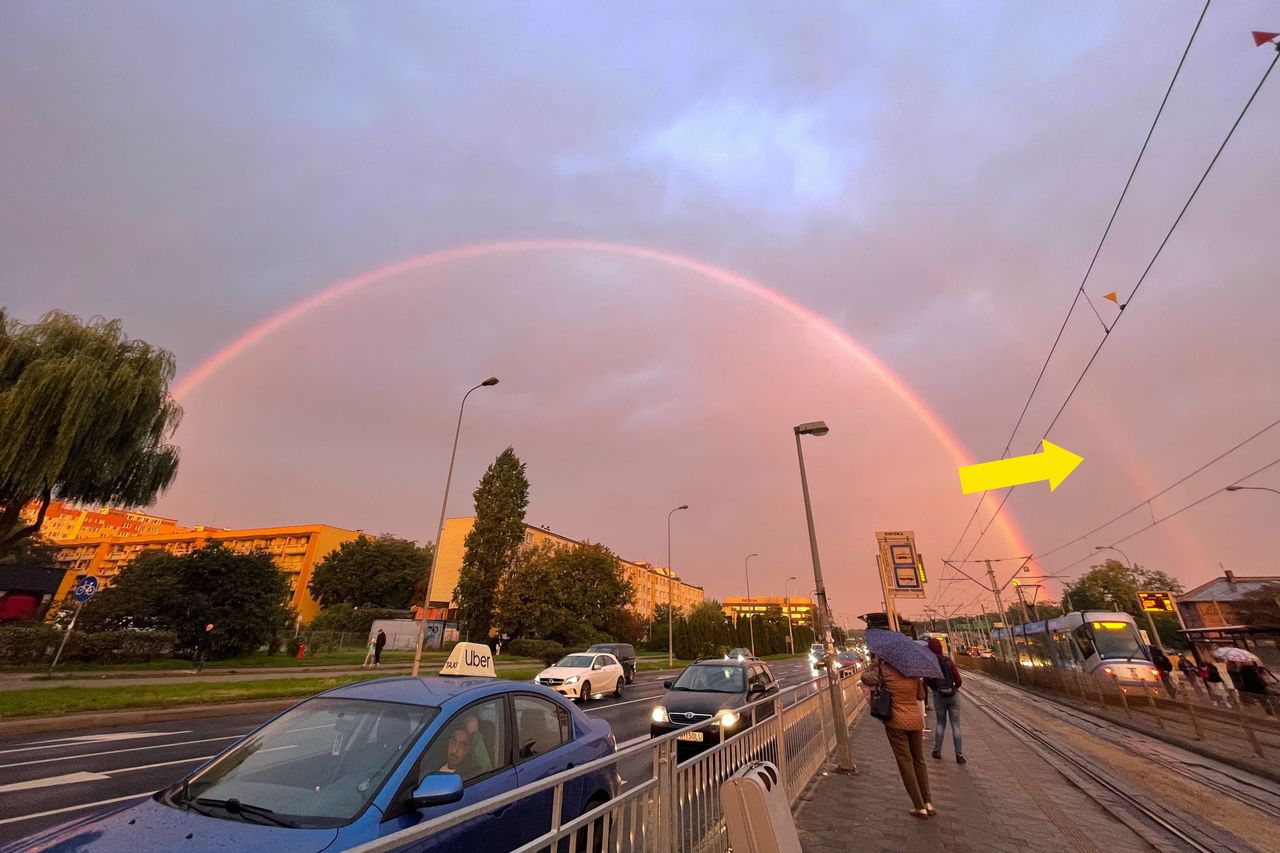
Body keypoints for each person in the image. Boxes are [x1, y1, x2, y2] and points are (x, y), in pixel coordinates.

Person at [861, 652, 934, 819]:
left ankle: (918, 806)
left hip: (895, 722)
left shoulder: (884, 670)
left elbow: (866, 678)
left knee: (905, 762)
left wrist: (875, 664)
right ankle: (928, 802)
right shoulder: (912, 672)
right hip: (915, 721)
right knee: (919, 760)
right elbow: (921, 696)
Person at [926, 638, 964, 764]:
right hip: (953, 696)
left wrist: (936, 689)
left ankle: (937, 751)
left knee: (940, 723)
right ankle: (959, 755)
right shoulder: (948, 661)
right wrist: (953, 689)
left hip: (939, 696)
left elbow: (927, 681)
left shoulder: (930, 663)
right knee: (956, 726)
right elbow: (958, 680)